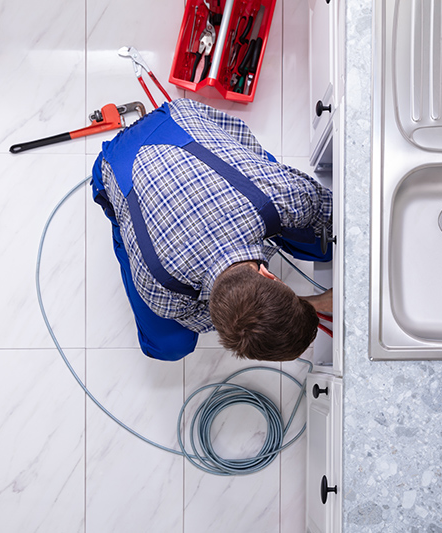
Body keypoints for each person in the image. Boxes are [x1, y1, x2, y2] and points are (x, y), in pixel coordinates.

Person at [91, 98, 333, 362]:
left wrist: (306, 304)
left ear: (270, 276)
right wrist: (312, 302)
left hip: (177, 118)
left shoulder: (283, 195)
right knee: (167, 347)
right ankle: (120, 224)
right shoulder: (162, 292)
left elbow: (327, 209)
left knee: (323, 243)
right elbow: (223, 318)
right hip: (112, 165)